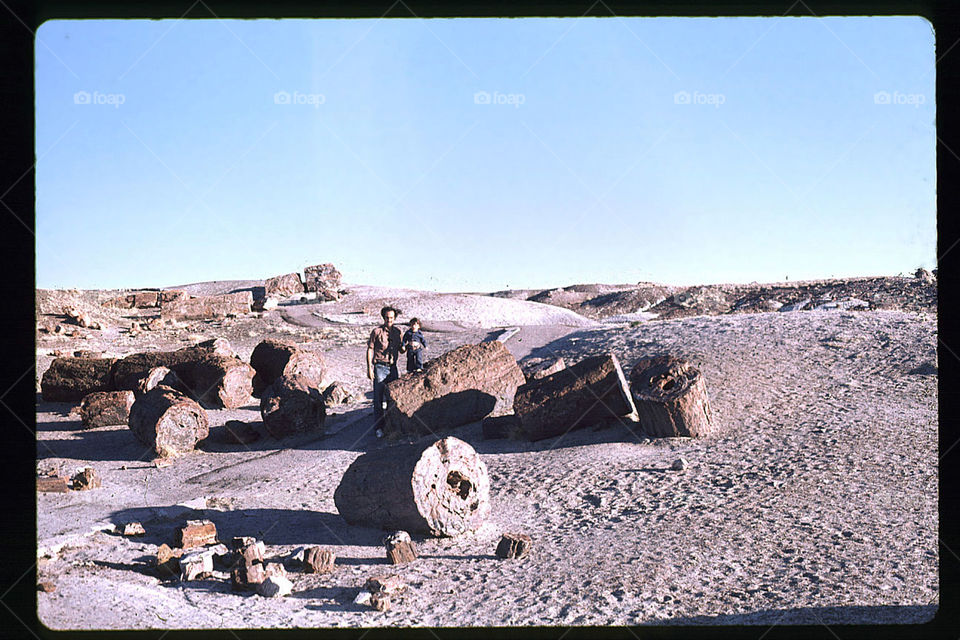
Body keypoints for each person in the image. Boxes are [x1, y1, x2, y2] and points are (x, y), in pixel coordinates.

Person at [366, 306, 402, 427]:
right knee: (378, 399)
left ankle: (392, 426)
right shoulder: (377, 332)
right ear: (383, 318)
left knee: (393, 397)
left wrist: (409, 346)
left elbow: (401, 350)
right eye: (387, 317)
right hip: (380, 367)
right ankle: (379, 427)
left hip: (393, 368)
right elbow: (370, 349)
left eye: (391, 318)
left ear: (394, 318)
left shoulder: (398, 332)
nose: (389, 320)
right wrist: (369, 368)